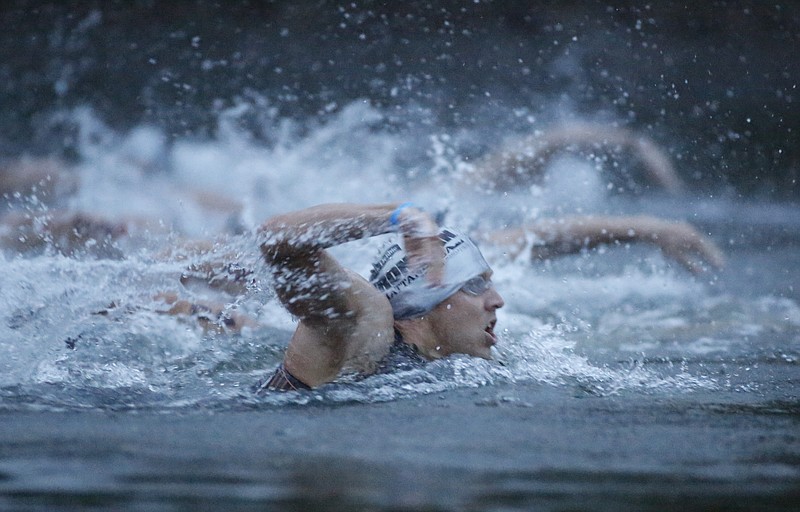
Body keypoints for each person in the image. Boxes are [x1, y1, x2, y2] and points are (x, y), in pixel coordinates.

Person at [254, 202, 724, 392]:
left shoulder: (446, 353)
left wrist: (647, 228)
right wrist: (404, 218)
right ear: (418, 311)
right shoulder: (364, 326)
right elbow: (278, 237)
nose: (497, 300)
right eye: (476, 286)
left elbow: (530, 239)